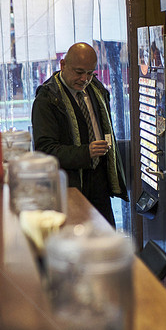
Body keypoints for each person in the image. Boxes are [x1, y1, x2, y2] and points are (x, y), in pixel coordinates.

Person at [31, 42, 128, 227]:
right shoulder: (47, 99)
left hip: (100, 179)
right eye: (79, 72)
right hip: (69, 185)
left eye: (90, 73)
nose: (84, 79)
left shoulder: (96, 89)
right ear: (62, 65)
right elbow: (45, 151)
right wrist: (86, 152)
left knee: (105, 238)